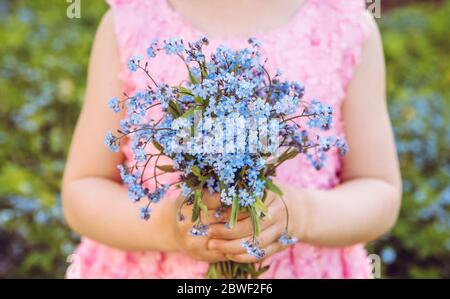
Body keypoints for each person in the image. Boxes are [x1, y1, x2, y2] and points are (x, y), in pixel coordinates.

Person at [62, 0, 402, 278]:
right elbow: (82, 189)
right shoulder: (132, 21)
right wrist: (169, 227)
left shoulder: (345, 26)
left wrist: (302, 215)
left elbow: (379, 190)